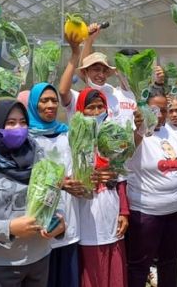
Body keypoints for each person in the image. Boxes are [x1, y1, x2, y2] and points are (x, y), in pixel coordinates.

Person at [0, 99, 65, 287]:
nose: (18, 128)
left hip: (39, 260)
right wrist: (9, 228)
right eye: (10, 123)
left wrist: (59, 221)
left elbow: (55, 199)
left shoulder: (38, 157)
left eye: (23, 122)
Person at [125, 92, 177, 287]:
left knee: (169, 260)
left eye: (163, 110)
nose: (160, 115)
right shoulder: (137, 135)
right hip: (147, 213)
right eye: (154, 110)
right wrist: (139, 128)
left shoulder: (171, 134)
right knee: (140, 264)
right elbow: (128, 150)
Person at [27, 83, 81, 287]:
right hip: (41, 224)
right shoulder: (27, 138)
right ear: (33, 104)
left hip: (70, 220)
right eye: (43, 100)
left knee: (67, 277)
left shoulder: (67, 134)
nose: (50, 105)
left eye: (53, 100)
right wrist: (59, 184)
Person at [74, 88, 129, 287]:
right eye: (91, 107)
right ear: (80, 110)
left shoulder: (112, 137)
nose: (97, 112)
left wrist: (124, 211)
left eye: (100, 107)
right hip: (88, 214)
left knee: (115, 268)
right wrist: (89, 177)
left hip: (111, 210)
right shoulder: (74, 141)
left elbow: (121, 178)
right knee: (93, 268)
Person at [59, 25, 137, 124]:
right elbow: (63, 91)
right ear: (85, 72)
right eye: (96, 70)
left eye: (105, 71)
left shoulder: (113, 95)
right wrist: (84, 45)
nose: (101, 75)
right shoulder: (76, 97)